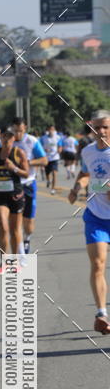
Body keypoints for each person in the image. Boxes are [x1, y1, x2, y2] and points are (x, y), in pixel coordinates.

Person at [68, 110, 110, 334]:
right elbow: (85, 174)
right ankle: (102, 313)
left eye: (105, 127)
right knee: (98, 264)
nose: (101, 131)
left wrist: (101, 187)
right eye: (97, 127)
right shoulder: (87, 151)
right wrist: (77, 187)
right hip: (96, 217)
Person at [0, 126, 29, 274]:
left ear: (14, 139)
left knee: (15, 230)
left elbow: (26, 173)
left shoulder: (19, 153)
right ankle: (4, 262)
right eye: (4, 137)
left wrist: (14, 168)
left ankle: (15, 261)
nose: (6, 140)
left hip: (15, 195)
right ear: (1, 138)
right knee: (3, 227)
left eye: (9, 137)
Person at [12, 117, 47, 254]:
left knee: (29, 222)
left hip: (28, 184)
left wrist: (27, 163)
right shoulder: (9, 141)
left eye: (20, 131)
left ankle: (27, 238)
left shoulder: (32, 141)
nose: (18, 134)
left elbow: (44, 160)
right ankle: (19, 252)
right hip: (13, 185)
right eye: (15, 131)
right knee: (15, 221)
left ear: (25, 128)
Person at [42, 125, 61, 193]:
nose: (51, 131)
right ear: (48, 130)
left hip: (55, 157)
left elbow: (60, 146)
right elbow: (40, 147)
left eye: (52, 129)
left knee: (54, 173)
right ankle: (48, 180)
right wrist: (44, 149)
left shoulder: (58, 137)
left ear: (54, 130)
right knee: (47, 173)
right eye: (50, 129)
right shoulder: (43, 138)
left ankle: (53, 189)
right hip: (47, 158)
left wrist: (59, 150)